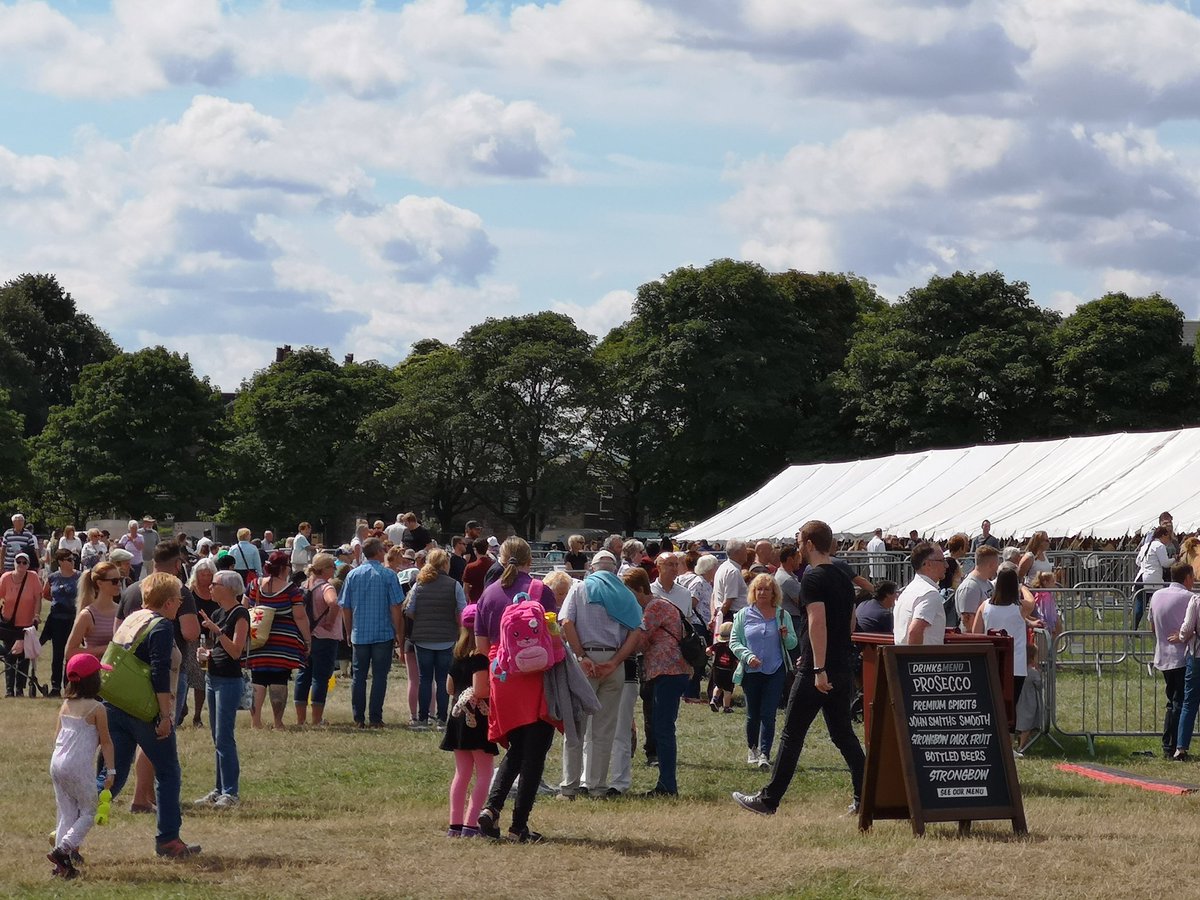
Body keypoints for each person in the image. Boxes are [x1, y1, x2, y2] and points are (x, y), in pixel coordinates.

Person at [733, 520, 865, 817]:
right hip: (842, 664)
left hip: (820, 669)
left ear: (808, 543)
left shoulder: (813, 578)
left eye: (799, 539)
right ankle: (865, 794)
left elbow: (817, 622)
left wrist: (818, 667)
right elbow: (850, 622)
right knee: (844, 735)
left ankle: (769, 799)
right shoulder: (844, 577)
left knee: (792, 735)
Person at [105, 572, 201, 858]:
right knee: (169, 772)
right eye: (179, 600)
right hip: (144, 710)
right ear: (170, 602)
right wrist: (165, 716)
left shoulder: (134, 619)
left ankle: (69, 831)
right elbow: (160, 672)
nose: (181, 603)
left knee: (112, 774)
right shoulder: (160, 627)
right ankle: (169, 840)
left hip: (116, 705)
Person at [476, 559, 563, 844]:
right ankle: (518, 826)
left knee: (516, 750)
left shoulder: (488, 593)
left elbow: (481, 646)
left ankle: (491, 808)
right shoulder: (542, 590)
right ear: (528, 561)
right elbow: (554, 642)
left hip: (503, 678)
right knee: (534, 756)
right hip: (536, 681)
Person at [557, 548, 641, 798]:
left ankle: (570, 785)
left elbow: (567, 622)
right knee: (604, 729)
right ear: (614, 569)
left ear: (592, 568)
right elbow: (636, 632)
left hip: (585, 662)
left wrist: (581, 656)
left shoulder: (580, 588)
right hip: (613, 661)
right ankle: (597, 786)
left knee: (576, 726)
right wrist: (615, 661)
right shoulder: (625, 594)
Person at [624, 567, 691, 796]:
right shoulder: (659, 604)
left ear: (640, 589)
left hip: (668, 672)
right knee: (662, 727)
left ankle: (667, 785)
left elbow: (639, 641)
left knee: (663, 729)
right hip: (670, 672)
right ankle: (666, 783)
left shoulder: (654, 608)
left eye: (629, 593)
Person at [48, 654, 115, 880]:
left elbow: (57, 735)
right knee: (89, 810)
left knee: (66, 812)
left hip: (57, 763)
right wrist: (111, 771)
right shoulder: (97, 708)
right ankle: (64, 849)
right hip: (77, 766)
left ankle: (62, 868)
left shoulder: (66, 704)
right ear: (93, 681)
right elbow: (106, 741)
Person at [193, 570, 250, 809]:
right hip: (212, 677)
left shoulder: (240, 614)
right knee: (217, 737)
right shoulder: (218, 612)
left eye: (214, 584)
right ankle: (218, 790)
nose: (210, 587)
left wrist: (218, 631)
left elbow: (236, 651)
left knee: (225, 737)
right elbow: (215, 647)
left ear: (228, 588)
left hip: (228, 680)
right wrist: (204, 654)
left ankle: (231, 792)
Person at [440, 604, 498, 838]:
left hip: (457, 718)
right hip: (478, 718)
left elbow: (449, 687)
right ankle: (471, 824)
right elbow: (480, 689)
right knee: (485, 773)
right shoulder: (479, 658)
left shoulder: (457, 655)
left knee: (461, 773)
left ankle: (454, 824)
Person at [730, 573, 797, 771]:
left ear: (774, 593)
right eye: (759, 589)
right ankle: (752, 747)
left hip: (775, 670)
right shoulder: (743, 614)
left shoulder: (782, 615)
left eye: (767, 589)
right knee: (753, 714)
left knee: (769, 714)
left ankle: (764, 754)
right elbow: (734, 642)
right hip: (751, 671)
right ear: (753, 592)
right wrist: (747, 656)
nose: (762, 593)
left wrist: (786, 636)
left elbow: (793, 643)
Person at [340, 537, 405, 727]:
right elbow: (396, 607)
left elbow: (346, 607)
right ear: (378, 552)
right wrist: (398, 632)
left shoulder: (353, 575)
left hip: (360, 633)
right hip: (382, 634)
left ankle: (358, 717)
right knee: (379, 677)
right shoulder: (389, 575)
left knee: (358, 676)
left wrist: (348, 630)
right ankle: (375, 717)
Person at [246, 551, 309, 729]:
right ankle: (278, 722)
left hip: (257, 640)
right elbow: (300, 617)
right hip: (283, 643)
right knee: (279, 680)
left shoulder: (253, 585)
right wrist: (307, 640)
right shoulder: (291, 590)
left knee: (257, 680)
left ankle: (255, 721)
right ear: (284, 568)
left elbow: (244, 608)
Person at [405, 548, 468, 727]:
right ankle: (441, 718)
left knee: (425, 678)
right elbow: (462, 612)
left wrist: (422, 619)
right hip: (446, 637)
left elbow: (409, 610)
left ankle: (423, 718)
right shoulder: (454, 584)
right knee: (442, 679)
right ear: (445, 564)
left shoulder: (420, 584)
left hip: (423, 637)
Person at [1149, 564, 1193, 760]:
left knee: (1173, 701)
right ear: (1187, 577)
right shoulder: (1188, 598)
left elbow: (1151, 625)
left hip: (1162, 654)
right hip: (1182, 656)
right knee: (1180, 703)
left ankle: (1170, 744)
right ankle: (1173, 746)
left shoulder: (1157, 595)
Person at [970, 567, 1033, 705]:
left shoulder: (984, 606)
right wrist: (1023, 588)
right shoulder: (1020, 607)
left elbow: (976, 633)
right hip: (1016, 664)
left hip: (992, 661)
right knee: (1011, 705)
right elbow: (1031, 601)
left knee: (992, 704)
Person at [294, 553, 342, 727]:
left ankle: (301, 719)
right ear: (325, 569)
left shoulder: (303, 585)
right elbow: (334, 603)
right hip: (325, 638)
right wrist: (330, 621)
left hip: (305, 637)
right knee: (320, 678)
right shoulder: (326, 587)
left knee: (303, 676)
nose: (334, 571)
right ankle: (316, 719)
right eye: (332, 568)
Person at [2, 551, 43, 696]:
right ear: (14, 563)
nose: (21, 565)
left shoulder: (32, 577)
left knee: (24, 657)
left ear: (28, 565)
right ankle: (9, 690)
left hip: (26, 624)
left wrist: (37, 615)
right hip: (8, 624)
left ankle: (19, 689)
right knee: (9, 656)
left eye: (24, 562)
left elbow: (38, 598)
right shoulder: (6, 578)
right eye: (18, 562)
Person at [41, 549, 81, 696]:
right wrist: (57, 603)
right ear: (60, 562)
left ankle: (69, 685)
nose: (73, 562)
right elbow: (45, 594)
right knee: (57, 654)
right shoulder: (53, 578)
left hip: (73, 620)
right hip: (57, 620)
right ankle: (55, 686)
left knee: (71, 654)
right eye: (69, 559)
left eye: (73, 559)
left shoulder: (80, 577)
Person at [66, 561, 122, 663]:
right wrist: (107, 649)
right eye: (114, 581)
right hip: (95, 674)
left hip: (117, 674)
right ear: (99, 583)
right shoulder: (87, 615)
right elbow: (70, 652)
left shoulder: (121, 611)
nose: (119, 584)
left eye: (120, 580)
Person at [893, 543, 948, 645]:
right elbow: (914, 631)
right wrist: (916, 660)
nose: (946, 565)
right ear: (928, 564)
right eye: (942, 560)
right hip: (923, 659)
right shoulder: (930, 593)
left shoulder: (907, 591)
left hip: (902, 658)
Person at [186, 559, 218, 727]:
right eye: (202, 574)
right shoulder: (189, 592)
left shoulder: (216, 592)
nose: (205, 578)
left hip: (210, 641)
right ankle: (181, 708)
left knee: (202, 678)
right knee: (186, 676)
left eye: (208, 574)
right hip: (191, 639)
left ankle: (197, 715)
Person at [1136, 526, 1176, 630]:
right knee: (1159, 605)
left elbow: (1138, 562)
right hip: (1153, 579)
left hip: (1140, 577)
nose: (1168, 539)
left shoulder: (1145, 546)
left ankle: (1133, 630)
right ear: (1163, 535)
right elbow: (1165, 563)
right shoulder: (1160, 546)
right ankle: (1158, 628)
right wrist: (1174, 559)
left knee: (1140, 606)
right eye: (1167, 536)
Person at [956, 545, 999, 633]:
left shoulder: (988, 584)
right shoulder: (970, 587)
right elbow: (968, 623)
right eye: (996, 564)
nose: (997, 568)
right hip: (975, 643)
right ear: (991, 565)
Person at [712, 539, 751, 629]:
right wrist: (719, 622)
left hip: (725, 615)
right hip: (733, 617)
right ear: (738, 553)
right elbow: (728, 601)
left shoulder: (723, 567)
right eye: (744, 550)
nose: (746, 553)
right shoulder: (733, 571)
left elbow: (714, 595)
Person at [708, 621, 738, 712]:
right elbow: (737, 658)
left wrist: (709, 653)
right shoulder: (733, 647)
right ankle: (726, 707)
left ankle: (714, 699)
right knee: (727, 690)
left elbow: (708, 650)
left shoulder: (717, 645)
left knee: (718, 686)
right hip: (728, 671)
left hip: (717, 669)